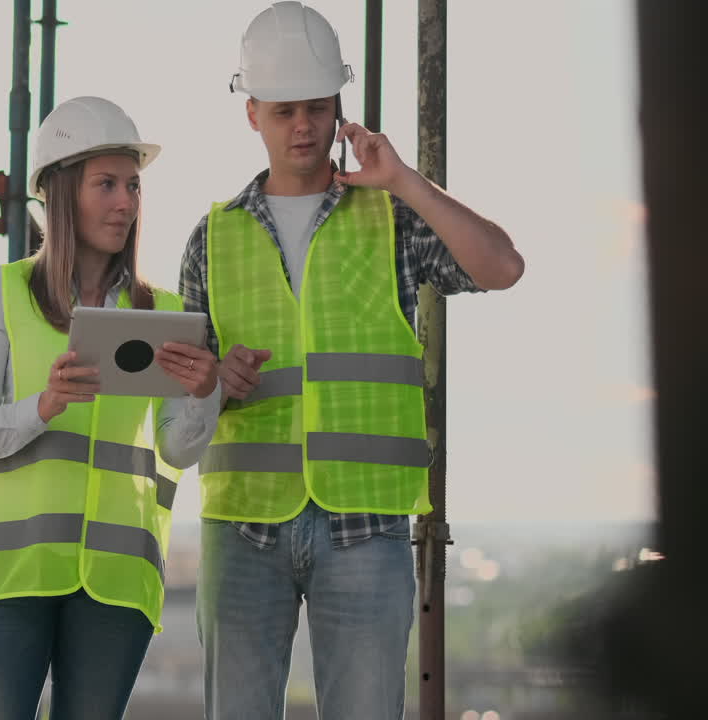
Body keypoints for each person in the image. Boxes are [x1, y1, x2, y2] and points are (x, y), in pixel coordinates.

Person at [182, 4, 526, 719]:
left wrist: (405, 181)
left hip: (365, 526)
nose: (303, 126)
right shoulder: (212, 238)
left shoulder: (391, 218)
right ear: (252, 113)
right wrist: (219, 383)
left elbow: (502, 267)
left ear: (338, 108)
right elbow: (183, 401)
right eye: (284, 111)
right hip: (244, 527)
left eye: (317, 107)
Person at [0, 95, 222, 720]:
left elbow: (177, 448)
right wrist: (42, 407)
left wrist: (206, 391)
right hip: (12, 576)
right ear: (60, 194)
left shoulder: (165, 313)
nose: (126, 201)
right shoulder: (3, 294)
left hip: (116, 585)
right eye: (106, 184)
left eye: (133, 185)